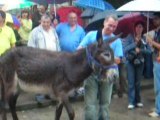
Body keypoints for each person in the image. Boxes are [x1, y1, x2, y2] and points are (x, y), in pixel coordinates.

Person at [77, 14, 123, 120]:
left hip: (107, 74)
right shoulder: (91, 35)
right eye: (110, 25)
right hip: (91, 74)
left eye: (114, 27)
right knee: (90, 105)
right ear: (104, 23)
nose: (111, 28)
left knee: (105, 105)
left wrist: (106, 56)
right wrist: (92, 53)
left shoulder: (116, 40)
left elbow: (119, 60)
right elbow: (79, 49)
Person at [28, 15, 60, 103]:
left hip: (54, 59)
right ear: (40, 22)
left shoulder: (53, 31)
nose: (46, 24)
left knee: (51, 78)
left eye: (47, 22)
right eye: (44, 22)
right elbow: (30, 47)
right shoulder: (35, 32)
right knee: (40, 78)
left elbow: (57, 44)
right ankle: (39, 95)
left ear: (50, 22)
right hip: (40, 60)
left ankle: (49, 94)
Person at [124, 21, 152, 109]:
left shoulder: (145, 38)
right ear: (135, 28)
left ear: (143, 29)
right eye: (137, 27)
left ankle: (138, 100)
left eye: (140, 27)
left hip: (140, 62)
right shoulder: (130, 37)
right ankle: (131, 102)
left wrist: (141, 50)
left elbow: (150, 51)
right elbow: (125, 49)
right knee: (131, 82)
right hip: (130, 63)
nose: (139, 29)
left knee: (138, 83)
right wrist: (134, 44)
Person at [147, 12, 160, 117]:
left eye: (156, 19)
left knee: (158, 87)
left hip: (158, 61)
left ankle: (158, 110)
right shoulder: (157, 31)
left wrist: (151, 41)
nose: (153, 21)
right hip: (156, 59)